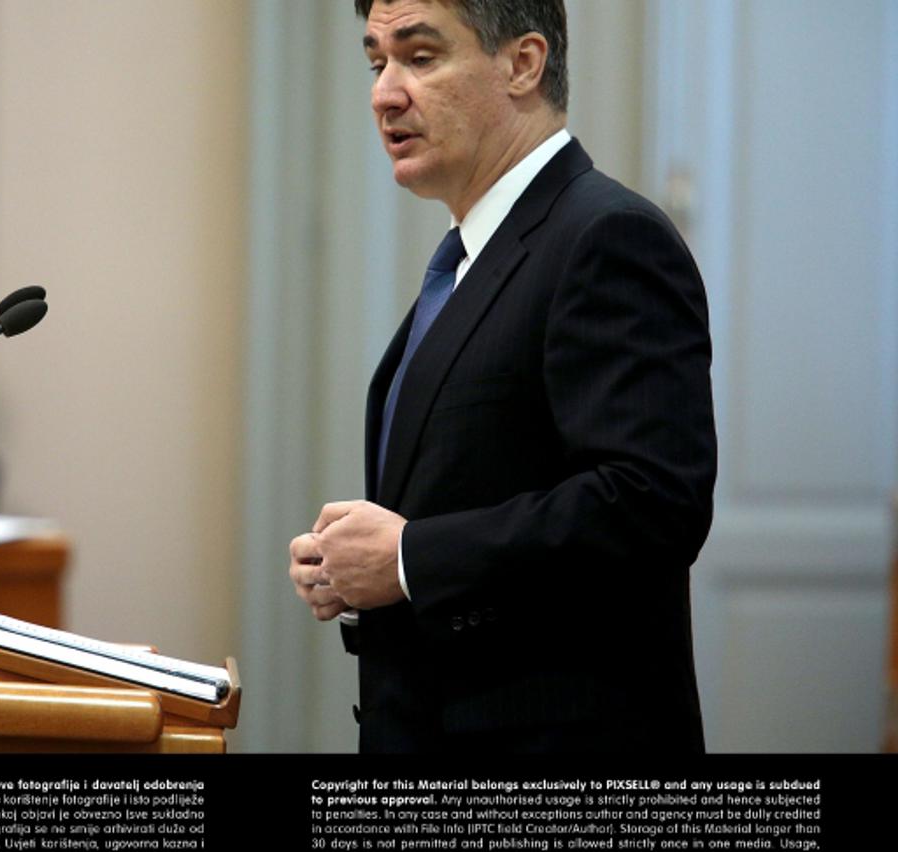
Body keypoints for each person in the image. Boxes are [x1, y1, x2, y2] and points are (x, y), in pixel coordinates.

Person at [288, 0, 716, 753]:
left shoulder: (606, 237)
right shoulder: (467, 260)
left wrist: (410, 558)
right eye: (375, 61)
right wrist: (358, 562)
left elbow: (652, 505)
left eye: (420, 57)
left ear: (523, 63)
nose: (385, 92)